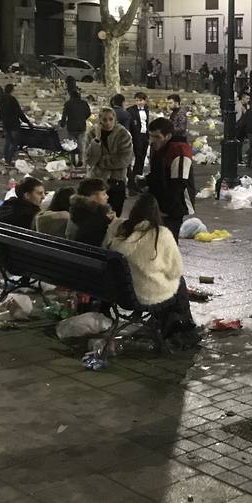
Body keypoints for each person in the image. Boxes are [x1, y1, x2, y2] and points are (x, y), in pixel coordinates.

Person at [106, 193, 198, 347]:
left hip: (120, 293)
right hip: (145, 295)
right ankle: (182, 326)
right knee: (179, 283)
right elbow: (175, 270)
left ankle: (173, 322)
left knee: (170, 284)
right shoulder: (161, 235)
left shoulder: (121, 230)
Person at [146, 117, 195, 239]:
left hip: (175, 206)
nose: (152, 141)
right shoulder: (160, 148)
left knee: (168, 242)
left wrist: (166, 209)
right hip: (161, 203)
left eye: (157, 137)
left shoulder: (179, 151)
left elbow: (178, 184)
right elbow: (157, 174)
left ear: (167, 136)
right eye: (151, 136)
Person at [86, 108, 134, 214]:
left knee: (114, 214)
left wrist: (101, 161)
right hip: (97, 181)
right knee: (97, 215)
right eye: (104, 119)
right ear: (100, 121)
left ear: (115, 119)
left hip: (117, 180)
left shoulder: (123, 134)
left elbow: (124, 160)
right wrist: (97, 139)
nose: (108, 123)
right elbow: (89, 160)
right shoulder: (91, 134)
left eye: (110, 119)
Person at [67, 177, 116, 246]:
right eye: (104, 194)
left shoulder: (76, 210)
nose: (107, 197)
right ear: (92, 197)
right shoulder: (97, 218)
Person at [0, 84, 31, 165]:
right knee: (14, 142)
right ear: (11, 90)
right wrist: (27, 122)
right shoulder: (12, 99)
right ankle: (9, 159)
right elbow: (19, 112)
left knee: (7, 141)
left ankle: (6, 159)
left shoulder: (1, 99)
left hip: (5, 123)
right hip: (13, 123)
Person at [60, 88, 91, 165]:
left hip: (71, 127)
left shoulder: (68, 104)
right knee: (81, 145)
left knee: (71, 144)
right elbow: (88, 113)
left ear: (71, 96)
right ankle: (81, 160)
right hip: (81, 127)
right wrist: (83, 118)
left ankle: (73, 161)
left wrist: (62, 124)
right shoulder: (84, 103)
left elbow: (64, 116)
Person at [128, 93, 151, 180]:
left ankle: (139, 173)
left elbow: (147, 122)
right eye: (137, 100)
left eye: (140, 100)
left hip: (145, 134)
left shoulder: (146, 109)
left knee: (143, 154)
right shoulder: (131, 110)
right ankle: (135, 174)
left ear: (145, 101)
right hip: (136, 135)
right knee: (138, 155)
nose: (138, 102)